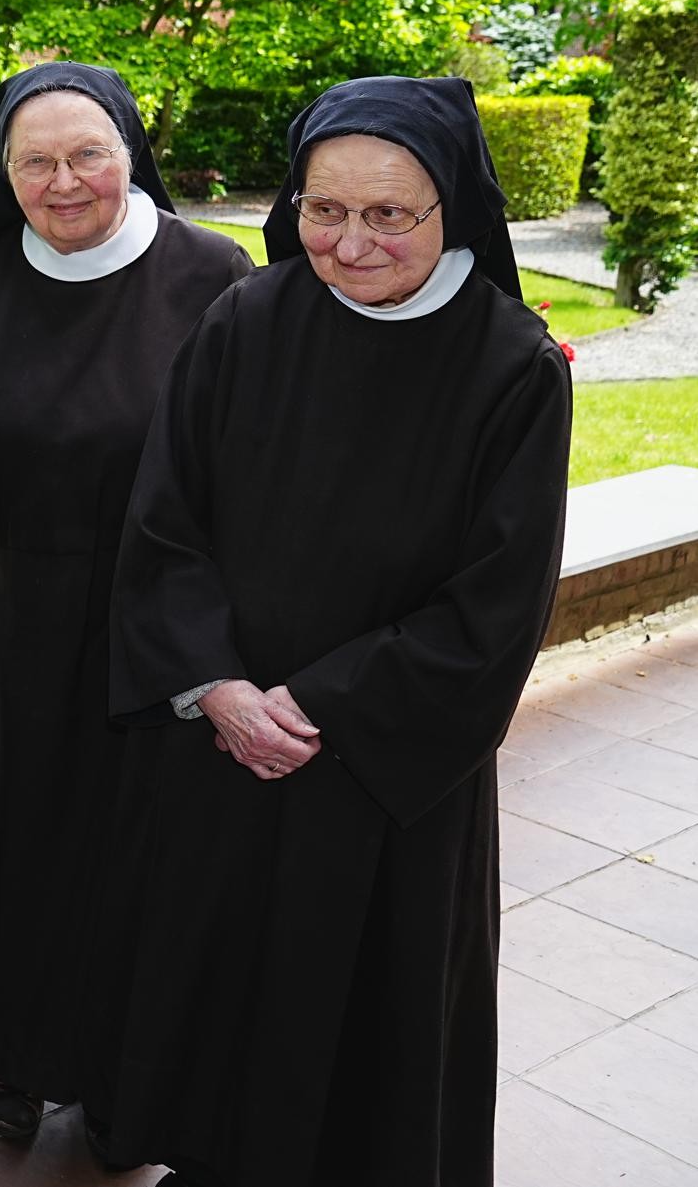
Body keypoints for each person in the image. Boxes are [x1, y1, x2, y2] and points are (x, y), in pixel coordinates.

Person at [85, 77, 573, 1186]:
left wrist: (318, 704)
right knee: (220, 1018)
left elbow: (496, 601)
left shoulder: (511, 367)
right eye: (322, 210)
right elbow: (164, 522)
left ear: (452, 208)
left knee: (373, 1044)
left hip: (382, 775)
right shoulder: (246, 319)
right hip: (227, 747)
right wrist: (214, 685)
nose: (350, 244)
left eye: (388, 214)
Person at [0, 62, 253, 1144]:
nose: (64, 182)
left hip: (153, 620)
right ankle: (11, 1060)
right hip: (5, 627)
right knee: (13, 853)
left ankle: (130, 1088)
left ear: (130, 153)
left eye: (88, 155)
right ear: (0, 173)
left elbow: (241, 465)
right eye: (35, 161)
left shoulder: (210, 274)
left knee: (141, 858)